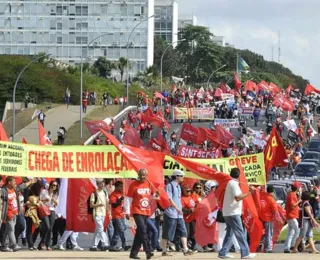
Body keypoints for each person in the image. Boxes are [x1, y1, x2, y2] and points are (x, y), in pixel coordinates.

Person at [218, 168, 256, 259]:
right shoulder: (234, 184)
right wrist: (249, 192)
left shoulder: (230, 183)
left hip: (229, 212)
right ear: (239, 175)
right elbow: (238, 198)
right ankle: (245, 252)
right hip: (233, 213)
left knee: (230, 233)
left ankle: (223, 252)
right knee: (240, 232)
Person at [125, 169, 157, 259]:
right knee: (143, 230)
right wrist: (127, 211)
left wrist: (156, 195)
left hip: (146, 211)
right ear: (138, 175)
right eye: (141, 175)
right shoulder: (133, 185)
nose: (143, 177)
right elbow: (128, 199)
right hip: (137, 211)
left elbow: (153, 196)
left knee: (140, 232)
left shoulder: (149, 184)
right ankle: (148, 251)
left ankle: (133, 253)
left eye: (145, 175)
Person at [161, 170, 194, 257]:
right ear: (176, 176)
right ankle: (164, 249)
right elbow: (169, 199)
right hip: (171, 213)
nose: (183, 178)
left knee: (183, 231)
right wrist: (177, 208)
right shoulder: (170, 186)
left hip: (179, 214)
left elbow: (178, 199)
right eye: (181, 176)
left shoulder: (179, 186)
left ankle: (186, 249)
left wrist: (180, 209)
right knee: (167, 232)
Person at [1, 177, 35, 252]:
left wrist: (31, 181)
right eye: (13, 181)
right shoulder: (3, 191)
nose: (15, 183)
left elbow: (22, 186)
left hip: (15, 213)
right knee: (11, 229)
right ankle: (14, 245)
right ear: (9, 182)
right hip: (8, 213)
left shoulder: (15, 189)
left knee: (8, 229)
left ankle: (4, 245)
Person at [89, 179, 110, 251]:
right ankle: (105, 243)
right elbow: (91, 205)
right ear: (97, 184)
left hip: (103, 213)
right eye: (101, 184)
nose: (103, 185)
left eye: (103, 183)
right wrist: (98, 204)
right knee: (101, 228)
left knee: (98, 230)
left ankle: (93, 246)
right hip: (96, 213)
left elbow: (107, 203)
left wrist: (109, 212)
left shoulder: (105, 192)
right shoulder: (94, 193)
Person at [109, 181, 131, 252]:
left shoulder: (122, 193)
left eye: (122, 186)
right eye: (120, 186)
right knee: (121, 229)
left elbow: (124, 203)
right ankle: (125, 244)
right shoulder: (113, 194)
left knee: (117, 231)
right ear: (116, 187)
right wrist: (120, 200)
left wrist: (126, 211)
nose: (122, 188)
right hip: (116, 215)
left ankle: (112, 246)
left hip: (122, 215)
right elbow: (113, 205)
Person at [39, 180, 59, 250]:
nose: (54, 187)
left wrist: (55, 201)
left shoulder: (55, 193)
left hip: (52, 210)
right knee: (47, 227)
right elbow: (39, 200)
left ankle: (48, 245)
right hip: (45, 209)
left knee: (50, 228)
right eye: (53, 185)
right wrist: (45, 200)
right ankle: (43, 242)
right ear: (50, 185)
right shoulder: (44, 191)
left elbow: (57, 204)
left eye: (56, 185)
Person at [284, 181, 302, 253]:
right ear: (297, 188)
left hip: (292, 215)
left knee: (291, 232)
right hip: (292, 215)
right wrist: (299, 201)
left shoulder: (293, 194)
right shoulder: (292, 195)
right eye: (299, 187)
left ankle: (287, 247)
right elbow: (292, 205)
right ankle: (293, 245)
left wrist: (299, 198)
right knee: (297, 230)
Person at [260, 185, 278, 253]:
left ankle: (261, 246)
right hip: (268, 218)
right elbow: (275, 210)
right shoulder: (271, 199)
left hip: (261, 217)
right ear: (272, 191)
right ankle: (268, 248)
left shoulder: (262, 196)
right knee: (269, 233)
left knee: (263, 233)